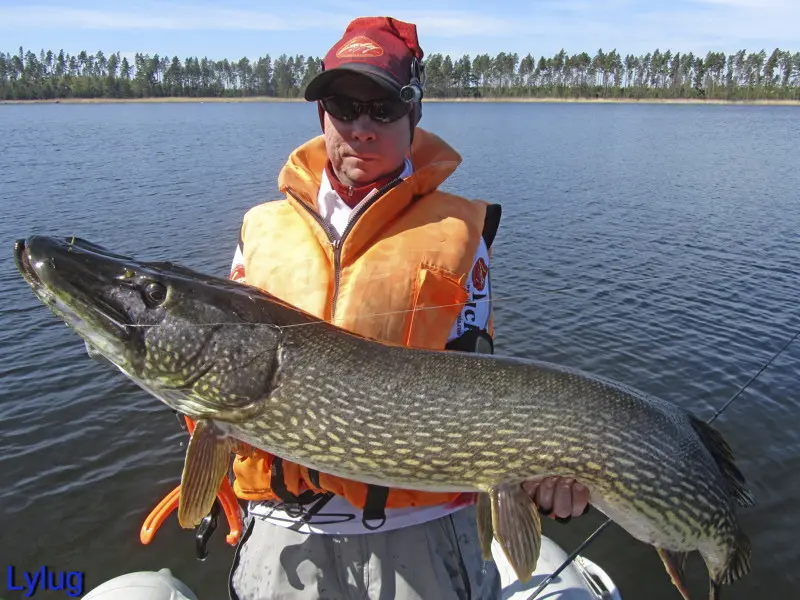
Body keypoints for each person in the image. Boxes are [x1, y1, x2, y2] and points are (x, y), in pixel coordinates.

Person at [223, 16, 590, 600]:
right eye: (344, 106)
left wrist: (538, 478)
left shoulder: (460, 233)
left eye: (383, 108)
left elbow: (481, 390)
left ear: (413, 114)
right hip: (284, 535)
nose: (361, 128)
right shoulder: (260, 228)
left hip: (421, 538)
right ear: (322, 113)